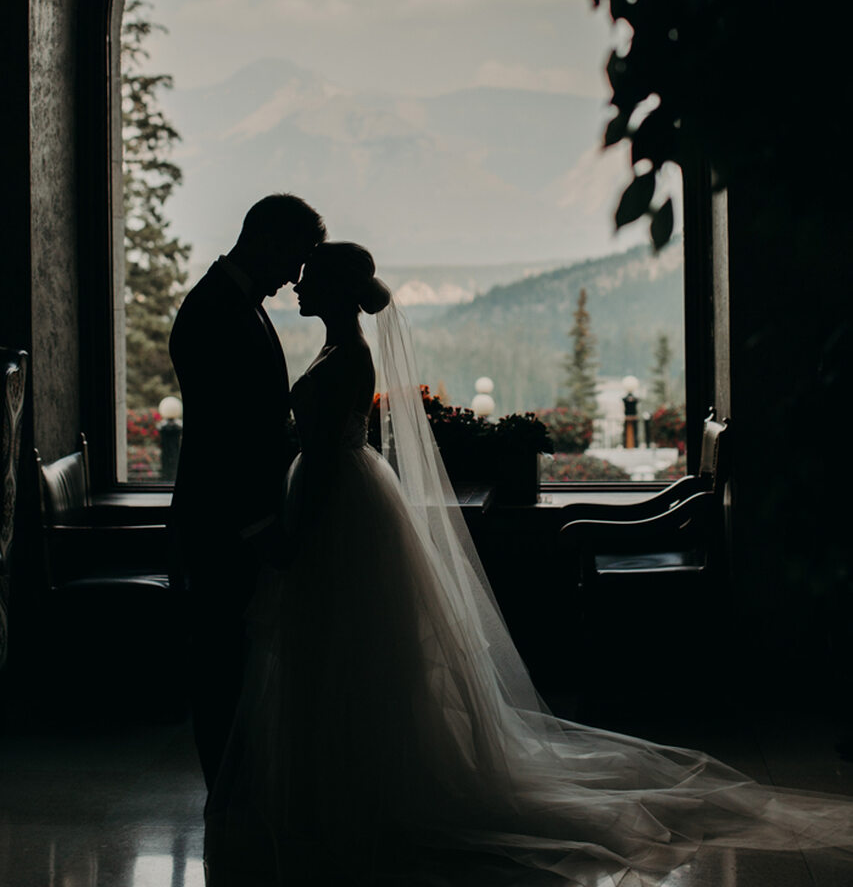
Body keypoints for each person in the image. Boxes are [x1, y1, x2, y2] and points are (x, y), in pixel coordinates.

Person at [205, 241, 853, 886]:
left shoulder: (347, 356)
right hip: (347, 497)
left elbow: (321, 459)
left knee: (341, 647)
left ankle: (348, 789)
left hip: (335, 507)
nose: (296, 286)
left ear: (338, 289)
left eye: (310, 277)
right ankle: (336, 781)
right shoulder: (341, 351)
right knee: (340, 649)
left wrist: (292, 536)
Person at [169, 193, 326, 792]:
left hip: (235, 520)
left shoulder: (236, 303)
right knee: (218, 663)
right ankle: (225, 797)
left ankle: (235, 789)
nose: (296, 276)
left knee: (232, 661)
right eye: (297, 257)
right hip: (225, 525)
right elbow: (221, 440)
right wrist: (261, 527)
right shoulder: (214, 310)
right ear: (270, 241)